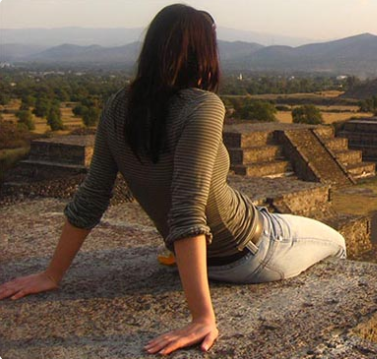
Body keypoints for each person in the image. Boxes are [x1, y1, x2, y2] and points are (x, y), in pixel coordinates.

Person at [0, 4, 346, 356]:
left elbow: (92, 196)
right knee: (337, 243)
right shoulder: (202, 106)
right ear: (203, 53)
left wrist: (52, 275)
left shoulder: (118, 105)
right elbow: (187, 208)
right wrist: (202, 317)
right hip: (248, 250)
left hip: (210, 243)